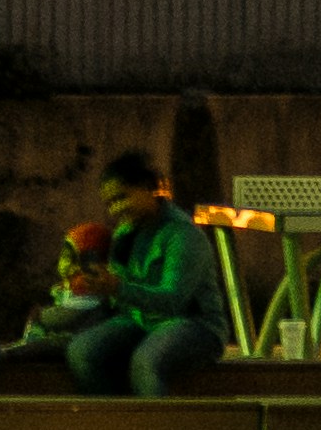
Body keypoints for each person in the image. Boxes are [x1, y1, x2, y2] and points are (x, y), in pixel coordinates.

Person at [15, 156, 227, 399]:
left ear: (148, 188)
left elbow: (172, 301)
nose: (117, 209)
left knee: (146, 362)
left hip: (192, 324)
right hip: (139, 320)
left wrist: (117, 287)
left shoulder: (183, 235)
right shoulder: (125, 233)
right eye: (110, 204)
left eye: (122, 197)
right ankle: (111, 422)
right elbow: (115, 295)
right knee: (81, 351)